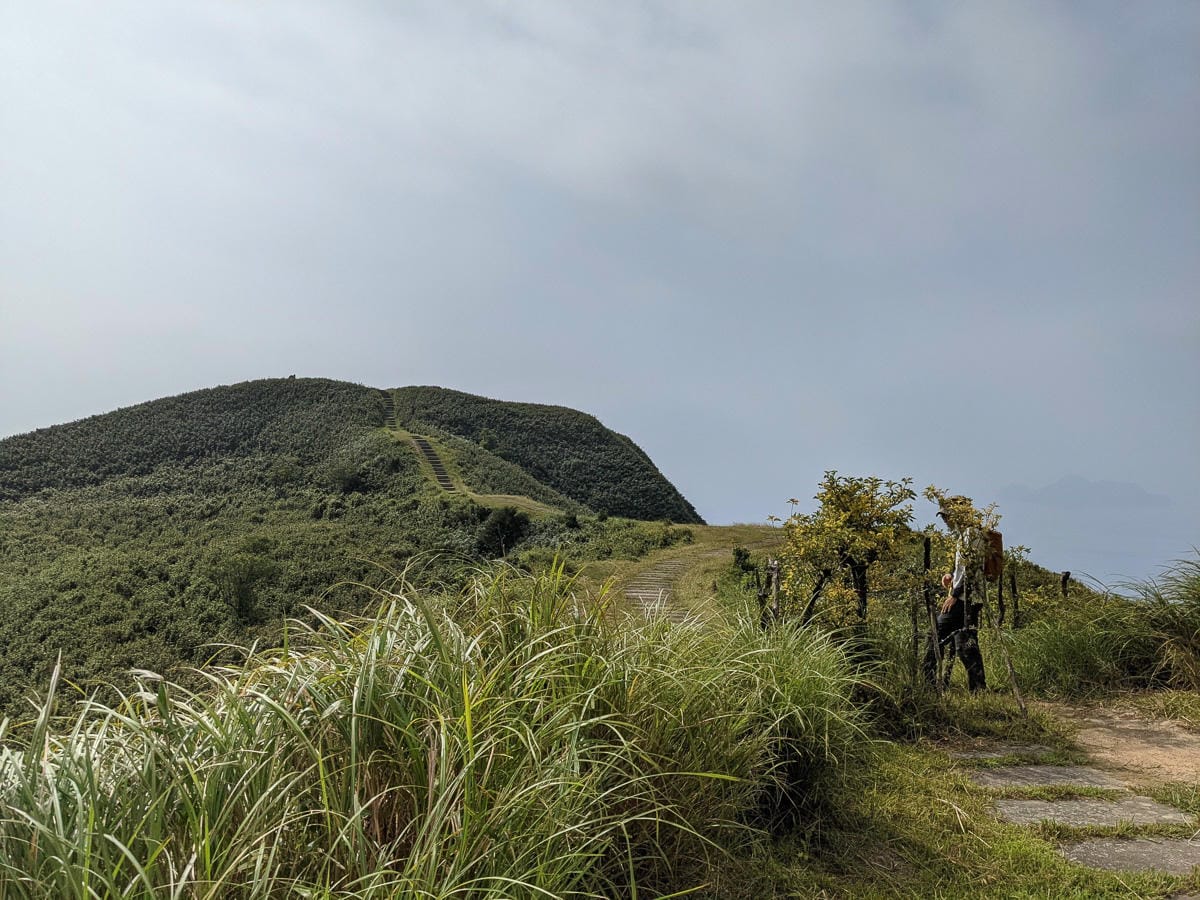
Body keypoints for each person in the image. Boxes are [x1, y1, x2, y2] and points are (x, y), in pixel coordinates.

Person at [924, 498, 987, 691]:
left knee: (936, 636)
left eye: (947, 516)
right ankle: (978, 690)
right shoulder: (966, 534)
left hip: (965, 599)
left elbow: (972, 569)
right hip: (969, 598)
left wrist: (955, 594)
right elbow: (963, 565)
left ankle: (928, 685)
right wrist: (951, 574)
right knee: (966, 644)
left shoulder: (971, 534)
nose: (945, 520)